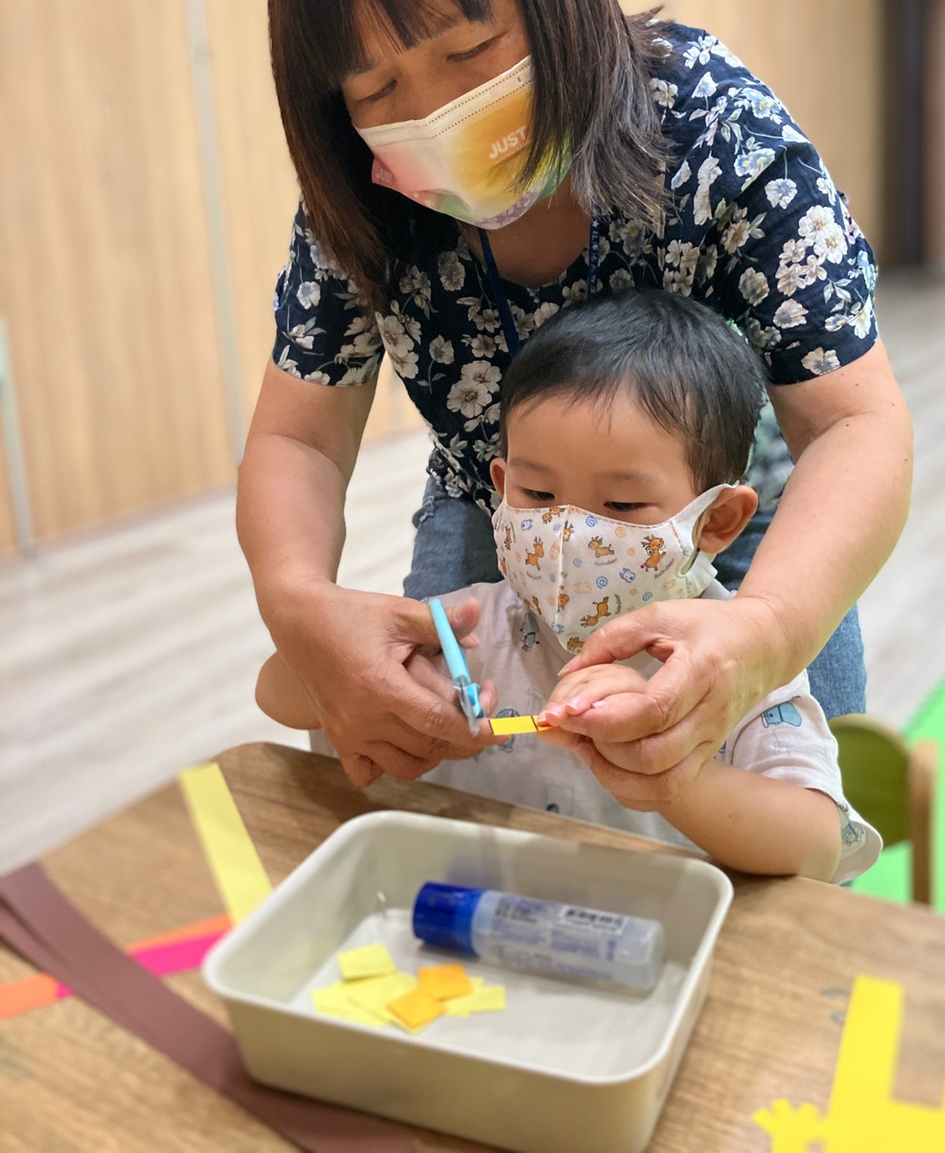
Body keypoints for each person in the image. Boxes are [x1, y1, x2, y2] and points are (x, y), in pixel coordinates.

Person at [238, 0, 913, 800]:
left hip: (713, 526)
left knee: (778, 842)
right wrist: (298, 603)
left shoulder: (712, 126)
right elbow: (297, 435)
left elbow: (856, 422)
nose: (432, 112)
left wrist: (766, 627)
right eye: (377, 90)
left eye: (468, 52)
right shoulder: (358, 194)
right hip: (503, 508)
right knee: (465, 804)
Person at [257, 292, 881, 883]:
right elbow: (277, 693)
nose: (569, 532)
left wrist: (671, 768)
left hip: (661, 953)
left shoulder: (733, 664)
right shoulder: (467, 631)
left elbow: (818, 847)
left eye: (621, 502)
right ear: (500, 486)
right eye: (537, 495)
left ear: (715, 520)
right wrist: (360, 672)